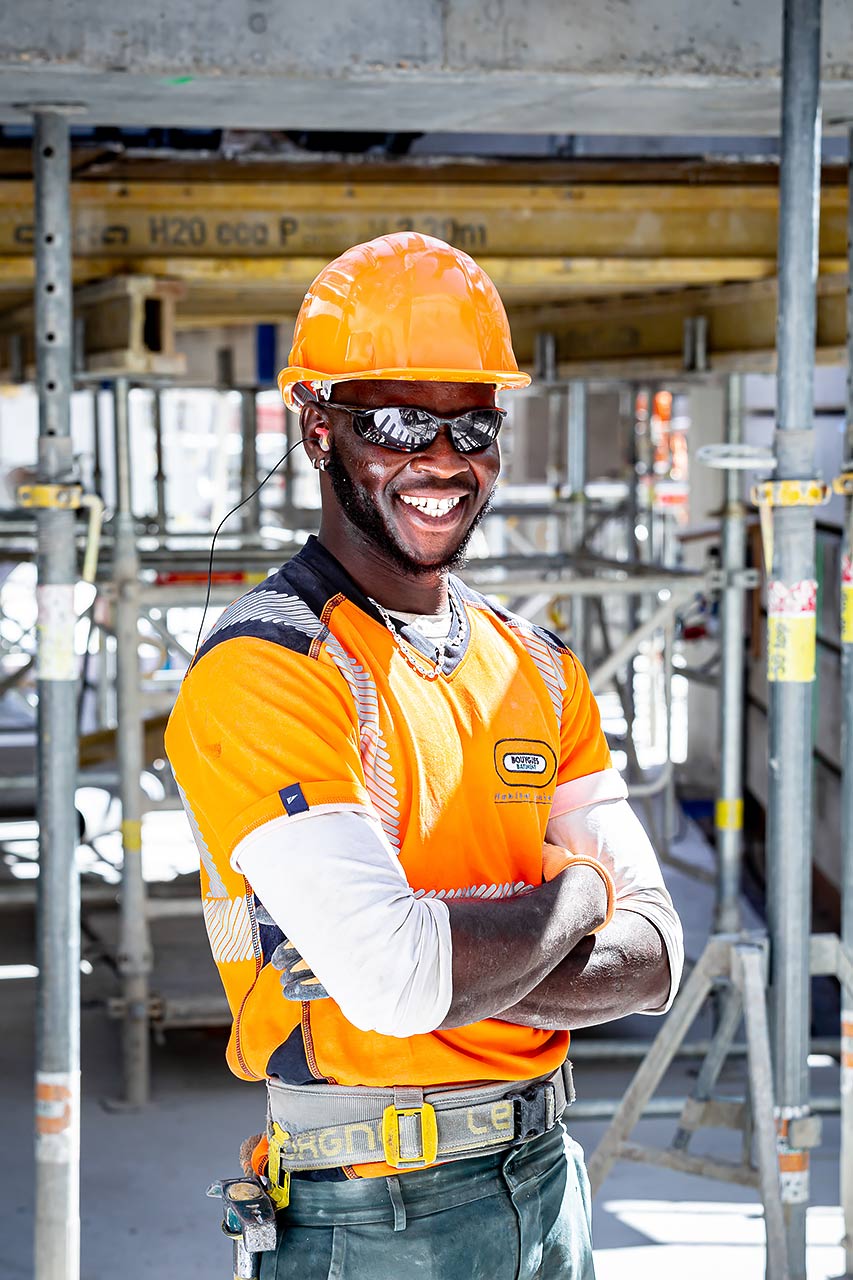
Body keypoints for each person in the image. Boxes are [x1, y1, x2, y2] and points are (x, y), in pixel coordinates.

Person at [165, 231, 683, 1279]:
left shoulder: (533, 666)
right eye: (399, 422)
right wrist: (580, 892)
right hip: (374, 1216)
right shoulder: (270, 670)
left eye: (473, 423)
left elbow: (660, 956)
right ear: (318, 428)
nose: (442, 458)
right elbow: (401, 986)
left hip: (546, 1177)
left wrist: (457, 964)